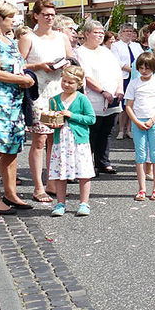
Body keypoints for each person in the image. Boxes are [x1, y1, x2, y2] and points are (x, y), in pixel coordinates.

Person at [0, 1, 35, 214]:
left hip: (14, 102)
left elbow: (17, 66)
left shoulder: (9, 40)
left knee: (11, 151)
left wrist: (31, 71)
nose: (14, 21)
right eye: (11, 17)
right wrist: (24, 81)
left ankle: (10, 194)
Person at [20, 0, 74, 203]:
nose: (49, 18)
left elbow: (71, 60)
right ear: (36, 16)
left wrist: (66, 63)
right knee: (40, 140)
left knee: (55, 139)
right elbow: (20, 64)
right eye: (45, 14)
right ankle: (38, 187)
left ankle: (52, 182)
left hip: (59, 91)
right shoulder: (28, 37)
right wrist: (40, 65)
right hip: (38, 92)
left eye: (52, 14)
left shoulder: (61, 37)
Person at [47, 65, 96, 217]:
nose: (66, 85)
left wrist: (72, 115)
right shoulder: (54, 100)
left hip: (78, 141)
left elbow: (91, 118)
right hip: (60, 141)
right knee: (61, 173)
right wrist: (52, 123)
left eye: (70, 82)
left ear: (78, 84)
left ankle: (84, 203)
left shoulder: (82, 99)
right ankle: (60, 203)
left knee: (83, 172)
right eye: (64, 81)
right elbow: (51, 118)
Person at [76, 20, 123, 175]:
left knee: (107, 131)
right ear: (87, 34)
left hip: (113, 97)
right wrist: (103, 91)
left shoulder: (106, 51)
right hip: (94, 97)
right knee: (92, 132)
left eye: (102, 32)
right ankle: (88, 164)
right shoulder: (80, 52)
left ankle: (103, 161)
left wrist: (119, 89)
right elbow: (86, 76)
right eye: (96, 32)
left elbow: (117, 72)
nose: (100, 35)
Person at [125, 51, 155, 200]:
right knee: (140, 155)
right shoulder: (134, 83)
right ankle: (142, 188)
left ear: (153, 68)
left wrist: (153, 120)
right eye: (141, 68)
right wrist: (136, 121)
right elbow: (128, 106)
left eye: (147, 68)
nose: (144, 71)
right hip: (138, 122)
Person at [111, 23, 142, 139]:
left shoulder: (136, 46)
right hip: (124, 76)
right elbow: (117, 61)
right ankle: (120, 130)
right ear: (121, 33)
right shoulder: (116, 46)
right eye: (126, 31)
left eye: (131, 31)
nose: (129, 33)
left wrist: (136, 70)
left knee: (132, 102)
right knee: (123, 103)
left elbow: (140, 59)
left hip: (135, 76)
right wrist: (130, 69)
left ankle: (129, 129)